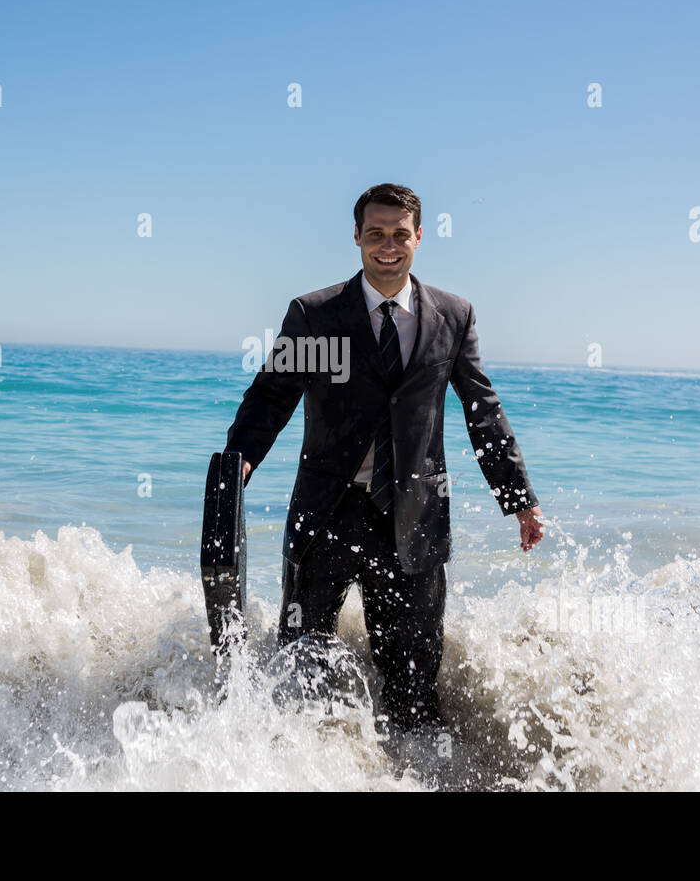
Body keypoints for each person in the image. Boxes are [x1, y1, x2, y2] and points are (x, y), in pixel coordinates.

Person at [224, 183, 545, 734]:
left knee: (415, 689)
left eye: (400, 234)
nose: (388, 245)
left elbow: (481, 408)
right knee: (301, 671)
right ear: (356, 237)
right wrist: (237, 465)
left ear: (420, 237)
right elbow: (273, 394)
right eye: (375, 234)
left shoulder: (453, 315)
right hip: (326, 515)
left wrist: (518, 499)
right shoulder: (316, 314)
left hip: (414, 521)